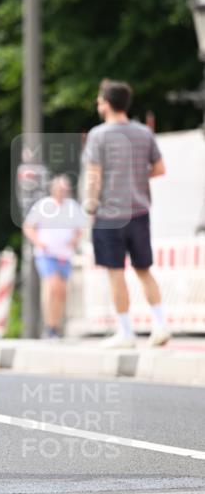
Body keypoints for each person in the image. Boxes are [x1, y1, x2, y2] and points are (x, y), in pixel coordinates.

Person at [82, 78, 170, 348]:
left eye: (99, 100)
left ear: (107, 104)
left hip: (110, 214)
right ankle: (160, 325)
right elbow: (160, 169)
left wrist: (90, 204)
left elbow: (94, 175)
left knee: (115, 272)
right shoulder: (144, 133)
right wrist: (135, 178)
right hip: (139, 210)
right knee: (144, 269)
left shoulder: (99, 135)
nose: (98, 104)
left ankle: (126, 332)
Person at [22, 175, 85, 339]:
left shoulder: (72, 207)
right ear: (53, 190)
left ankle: (55, 326)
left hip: (64, 254)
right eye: (59, 189)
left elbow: (80, 229)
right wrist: (38, 242)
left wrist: (73, 241)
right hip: (46, 254)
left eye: (65, 189)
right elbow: (28, 227)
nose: (62, 192)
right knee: (52, 287)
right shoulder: (43, 206)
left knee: (61, 292)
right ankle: (49, 326)